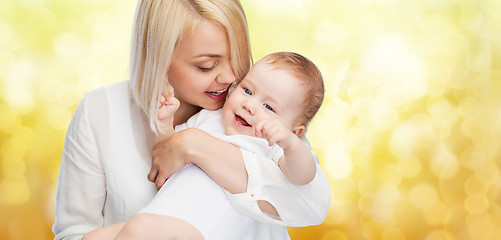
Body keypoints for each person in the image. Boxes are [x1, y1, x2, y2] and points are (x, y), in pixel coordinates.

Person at [53, 0, 331, 240]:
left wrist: (194, 145)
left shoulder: (269, 122)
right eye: (206, 66)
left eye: (238, 57)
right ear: (158, 57)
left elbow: (310, 202)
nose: (231, 77)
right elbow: (164, 155)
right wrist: (167, 129)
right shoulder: (101, 110)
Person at [82, 51, 325, 239]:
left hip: (199, 226)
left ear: (296, 131)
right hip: (164, 213)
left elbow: (302, 177)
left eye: (269, 107)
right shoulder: (208, 119)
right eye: (248, 90)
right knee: (93, 237)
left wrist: (291, 144)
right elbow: (166, 154)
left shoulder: (273, 145)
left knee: (140, 228)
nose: (250, 105)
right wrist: (164, 124)